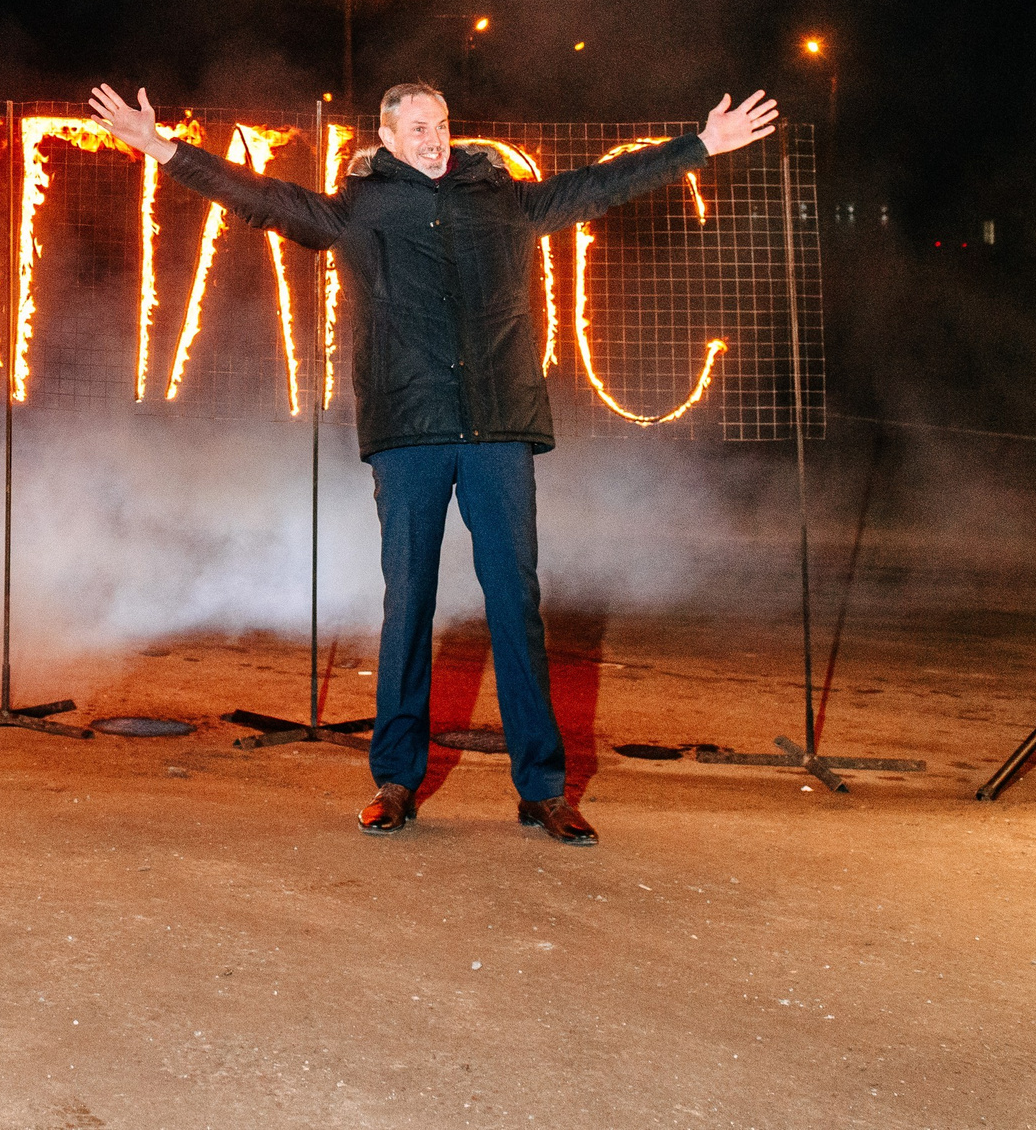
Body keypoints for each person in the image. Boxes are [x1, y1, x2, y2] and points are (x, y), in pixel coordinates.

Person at [88, 79, 778, 845]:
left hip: (498, 427)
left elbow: (599, 185)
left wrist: (701, 145)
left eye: (441, 123)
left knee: (516, 603)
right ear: (386, 138)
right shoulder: (360, 208)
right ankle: (395, 780)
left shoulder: (502, 198)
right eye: (417, 126)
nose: (433, 136)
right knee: (408, 601)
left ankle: (544, 789)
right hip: (409, 429)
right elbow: (261, 198)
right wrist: (162, 147)